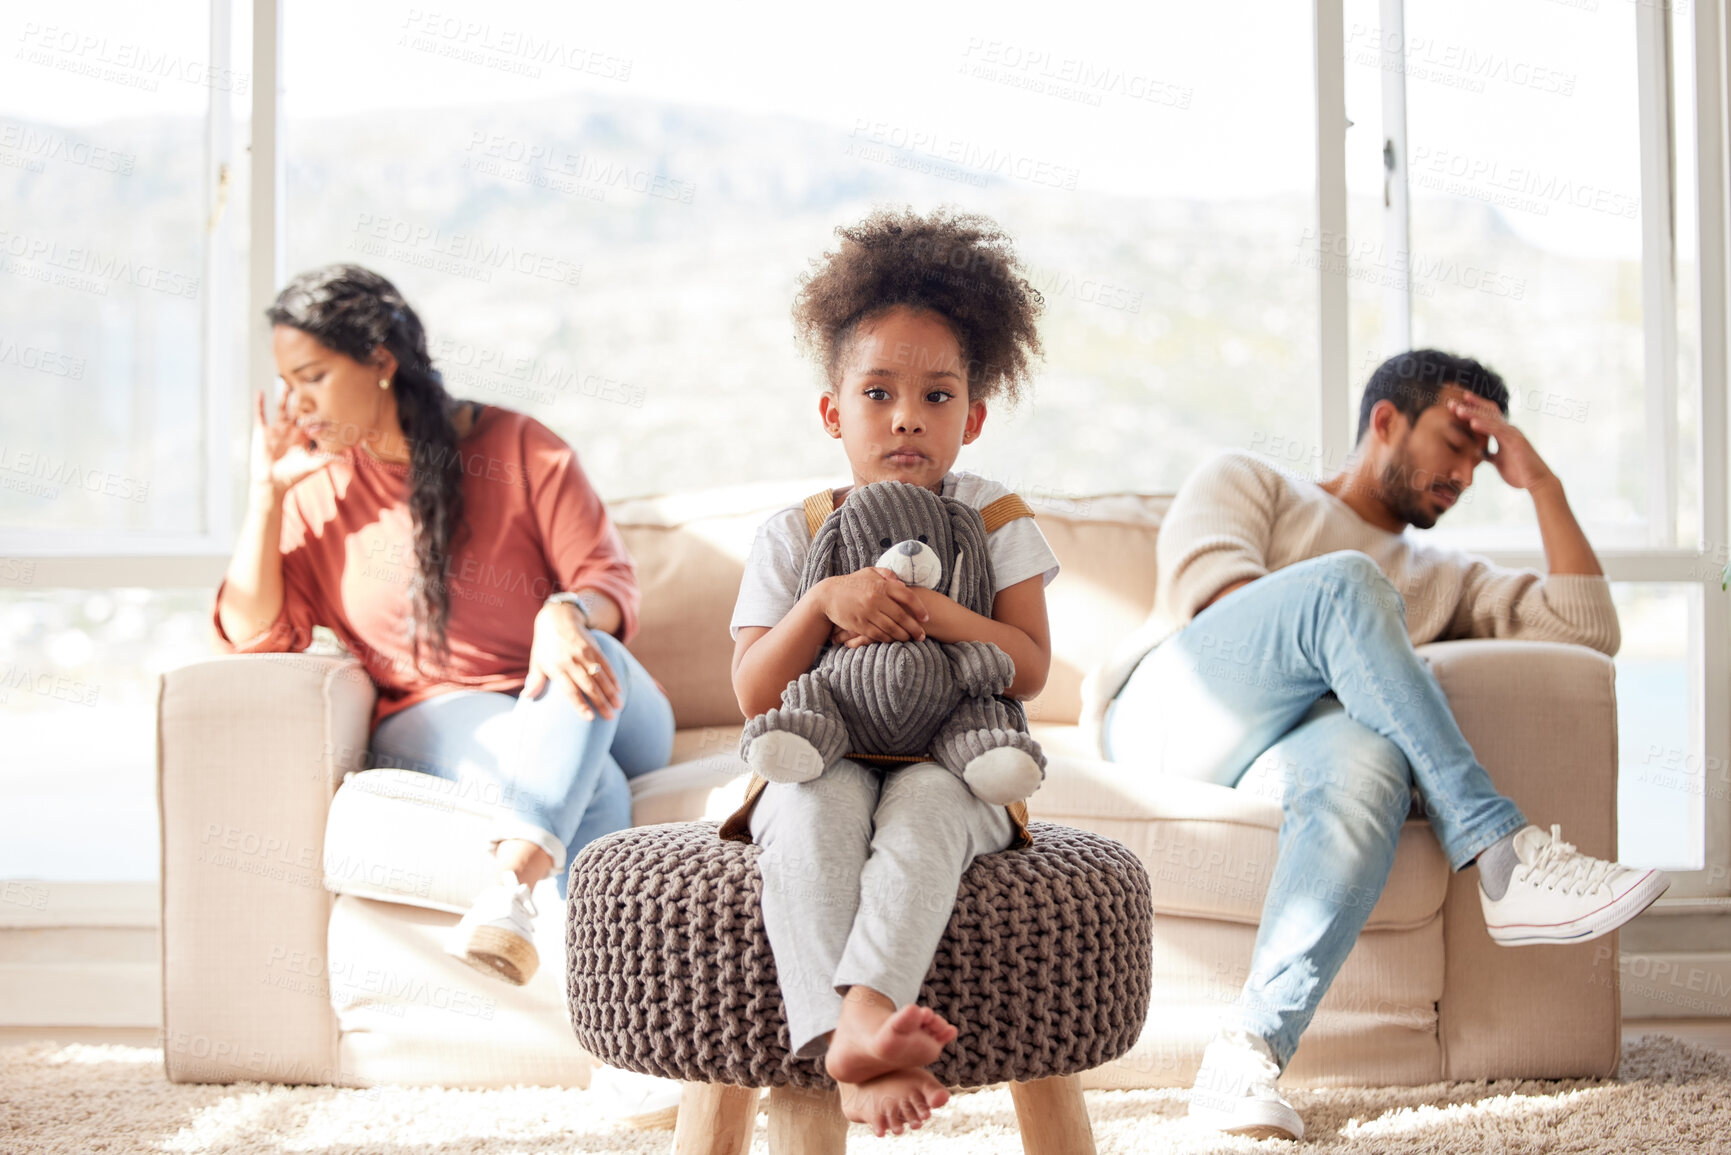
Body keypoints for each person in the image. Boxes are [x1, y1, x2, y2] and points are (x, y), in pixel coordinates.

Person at [1090, 348, 1669, 1141]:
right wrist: (1358, 617)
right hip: (1173, 714)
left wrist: (1541, 482)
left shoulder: (1444, 574)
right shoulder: (1252, 481)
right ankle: (1503, 856)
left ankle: (1246, 1053)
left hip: (1287, 752)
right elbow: (1223, 604)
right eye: (1454, 443)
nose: (1465, 474)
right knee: (1346, 585)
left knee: (1371, 766)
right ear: (1386, 421)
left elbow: (1587, 630)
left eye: (1480, 457)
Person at [213, 264, 674, 988]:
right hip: (437, 713)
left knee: (594, 652)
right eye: (286, 382)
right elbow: (252, 635)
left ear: (380, 362)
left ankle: (512, 882)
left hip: (590, 695)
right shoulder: (318, 493)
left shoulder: (523, 448)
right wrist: (264, 494)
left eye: (312, 376)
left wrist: (563, 611)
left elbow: (607, 584)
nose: (295, 404)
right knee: (599, 786)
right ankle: (617, 1017)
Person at [727, 207, 1060, 1138]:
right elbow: (754, 693)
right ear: (833, 411)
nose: (907, 415)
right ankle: (847, 1036)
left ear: (974, 415)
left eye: (937, 395)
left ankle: (867, 1006)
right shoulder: (793, 531)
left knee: (923, 813)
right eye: (877, 393)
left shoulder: (993, 517)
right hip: (823, 752)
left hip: (955, 760)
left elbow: (1028, 669)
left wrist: (938, 615)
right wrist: (823, 603)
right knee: (808, 811)